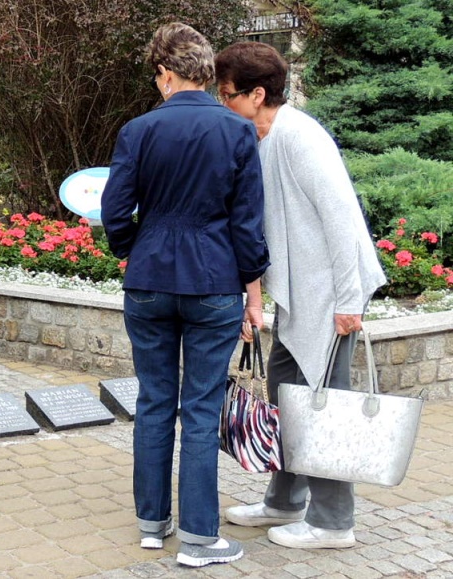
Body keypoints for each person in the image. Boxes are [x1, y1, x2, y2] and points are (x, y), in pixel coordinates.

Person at [100, 22, 269, 568]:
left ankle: (153, 524)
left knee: (153, 402)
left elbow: (113, 210)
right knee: (199, 410)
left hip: (149, 280)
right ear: (205, 72)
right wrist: (253, 292)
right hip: (213, 282)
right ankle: (199, 538)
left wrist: (135, 245)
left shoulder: (139, 130)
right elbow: (247, 224)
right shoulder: (238, 132)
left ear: (166, 74)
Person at [214, 42, 386, 550]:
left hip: (332, 299)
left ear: (257, 94)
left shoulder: (301, 137)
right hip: (302, 298)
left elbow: (342, 219)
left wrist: (349, 302)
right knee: (289, 400)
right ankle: (284, 501)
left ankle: (334, 523)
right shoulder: (267, 137)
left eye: (228, 95)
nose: (224, 104)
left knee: (325, 408)